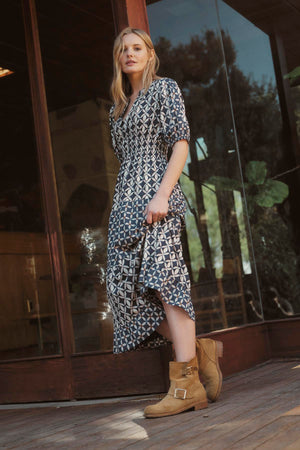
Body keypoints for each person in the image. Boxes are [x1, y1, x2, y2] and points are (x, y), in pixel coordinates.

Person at [107, 27, 223, 418]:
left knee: (165, 281)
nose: (130, 54)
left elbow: (180, 143)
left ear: (150, 54)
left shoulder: (164, 89)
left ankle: (186, 385)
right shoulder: (117, 108)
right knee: (124, 293)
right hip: (126, 204)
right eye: (123, 49)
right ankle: (199, 348)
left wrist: (161, 193)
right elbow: (125, 160)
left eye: (137, 47)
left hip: (159, 198)